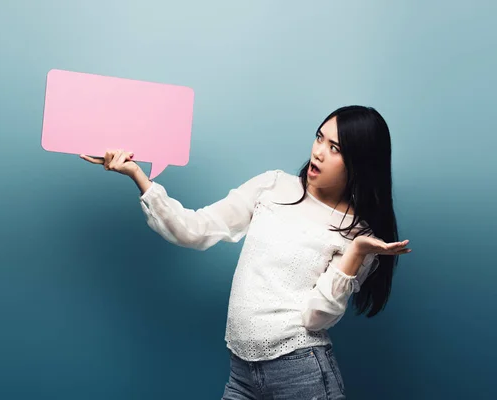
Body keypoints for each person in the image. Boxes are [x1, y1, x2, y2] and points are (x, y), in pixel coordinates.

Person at [80, 105, 411, 399]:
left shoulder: (358, 237)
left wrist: (354, 255)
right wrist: (138, 175)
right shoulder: (273, 186)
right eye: (319, 137)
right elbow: (193, 229)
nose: (319, 152)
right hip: (242, 373)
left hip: (302, 376)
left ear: (359, 163)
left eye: (335, 148)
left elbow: (316, 318)